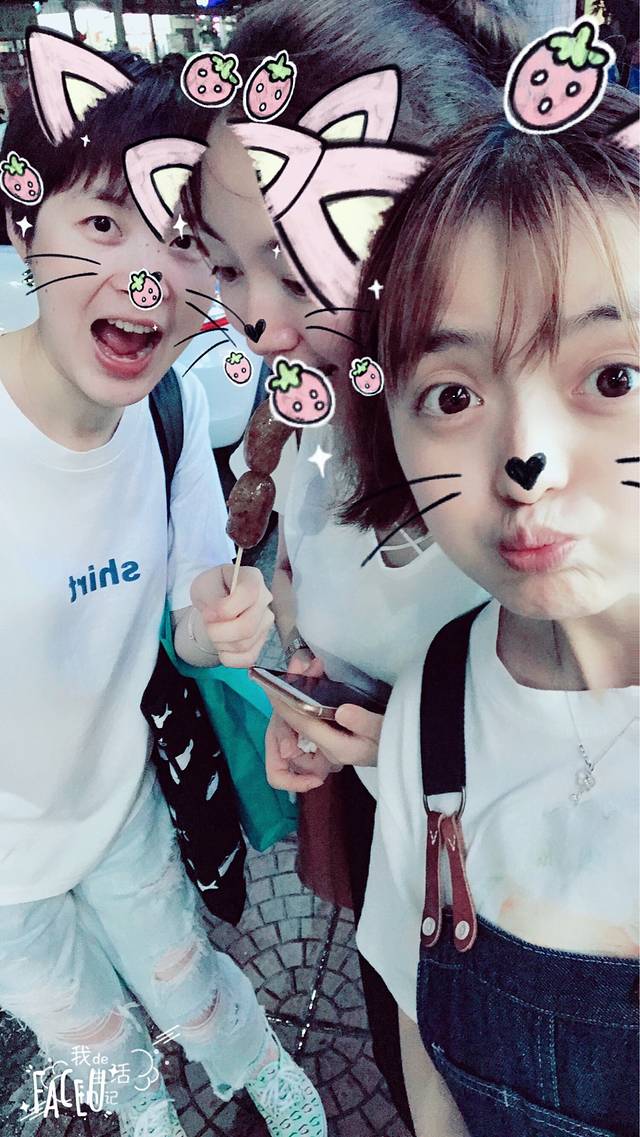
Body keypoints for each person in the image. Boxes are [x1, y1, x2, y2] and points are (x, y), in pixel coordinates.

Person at [187, 0, 527, 1126]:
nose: (256, 322)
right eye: (226, 266)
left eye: (294, 270)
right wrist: (306, 696)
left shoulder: (542, 473)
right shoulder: (310, 414)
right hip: (397, 870)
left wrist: (417, 749)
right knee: (398, 1052)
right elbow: (319, 591)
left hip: (525, 933)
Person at [0, 51, 326, 1137]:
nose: (147, 277)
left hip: (118, 805)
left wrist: (221, 619)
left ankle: (254, 1064)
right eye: (103, 224)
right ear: (24, 231)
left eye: (183, 240)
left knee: (187, 973)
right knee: (83, 1028)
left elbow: (189, 598)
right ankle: (146, 1114)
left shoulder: (167, 416)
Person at [344, 89, 639, 1135]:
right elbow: (426, 1048)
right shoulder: (432, 706)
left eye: (614, 375)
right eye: (453, 395)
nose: (528, 461)